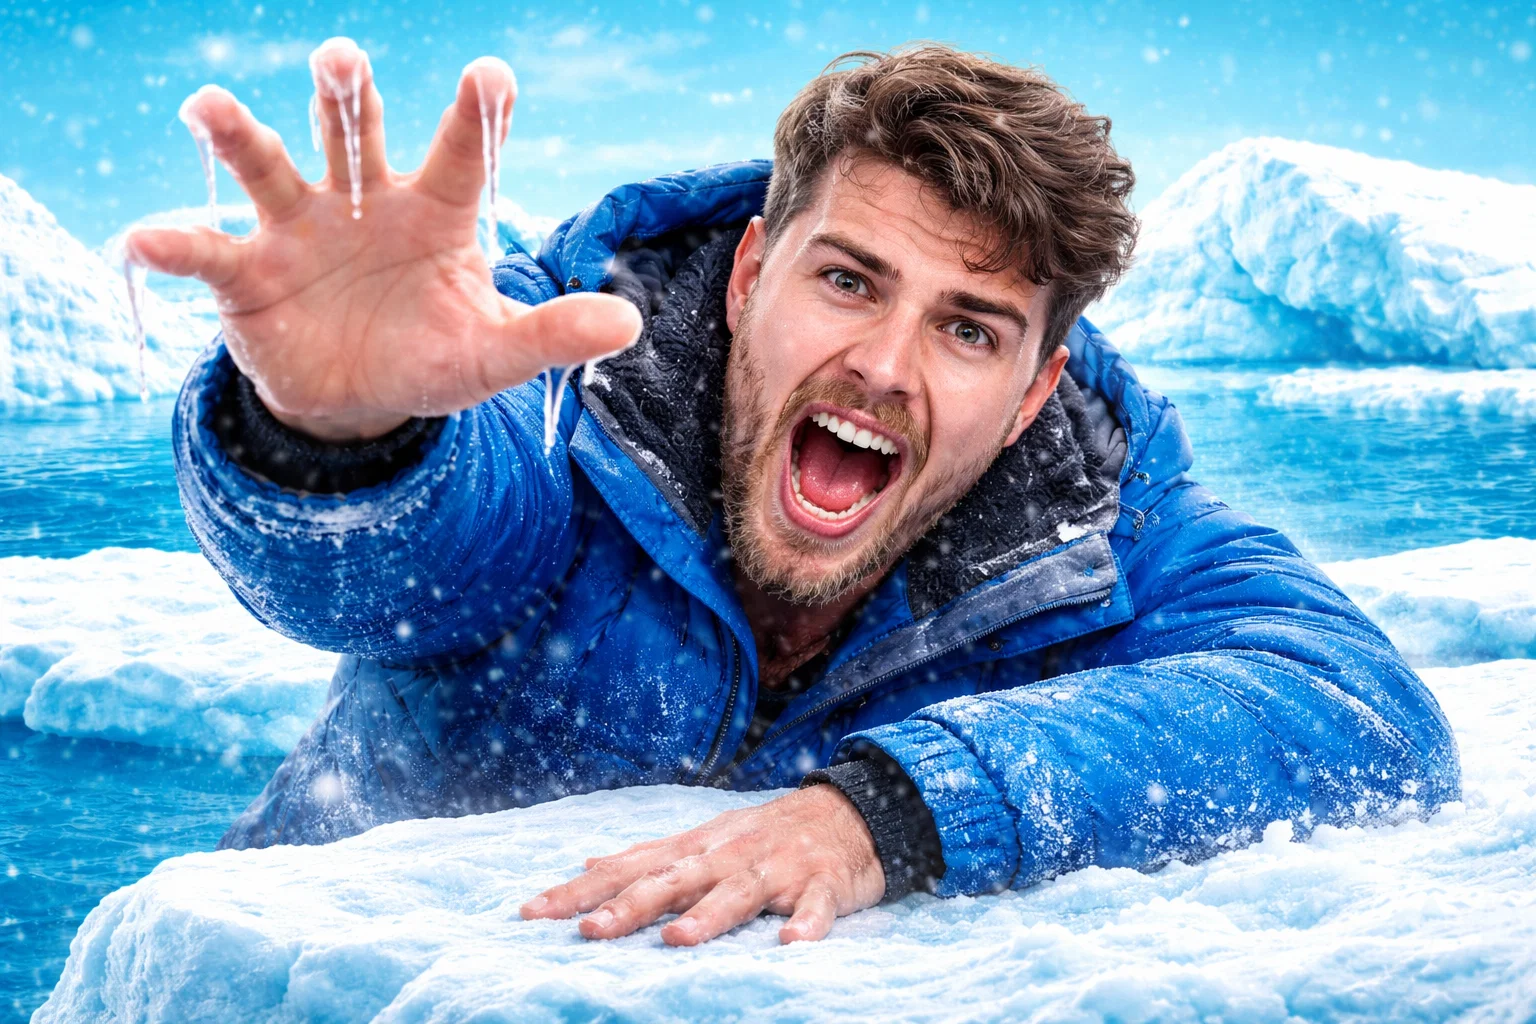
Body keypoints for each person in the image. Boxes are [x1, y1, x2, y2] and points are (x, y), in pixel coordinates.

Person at [129, 38, 1459, 948]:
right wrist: (339, 430)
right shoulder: (558, 368)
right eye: (849, 279)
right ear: (751, 270)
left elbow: (1359, 708)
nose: (882, 366)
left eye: (971, 329)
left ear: (1035, 393)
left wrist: (892, 810)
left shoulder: (1097, 521)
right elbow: (390, 563)